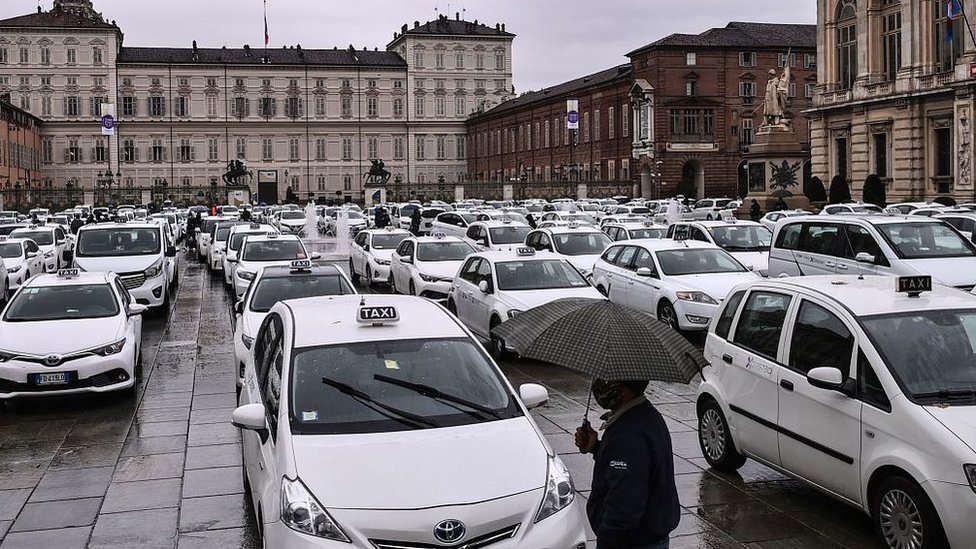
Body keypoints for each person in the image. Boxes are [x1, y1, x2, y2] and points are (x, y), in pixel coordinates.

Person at [575, 379, 680, 549]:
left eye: (606, 381)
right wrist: (596, 448)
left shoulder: (627, 434)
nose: (598, 384)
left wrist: (607, 541)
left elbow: (624, 507)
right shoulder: (644, 414)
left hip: (632, 542)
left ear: (624, 389)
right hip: (649, 537)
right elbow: (635, 467)